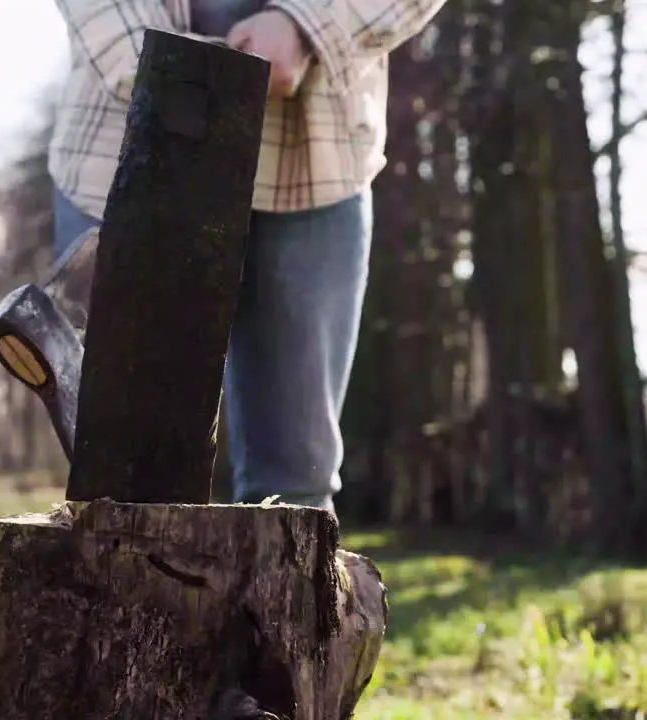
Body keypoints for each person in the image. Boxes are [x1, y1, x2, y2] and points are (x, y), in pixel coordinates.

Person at [46, 0, 448, 512]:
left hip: (315, 162)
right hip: (122, 137)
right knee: (121, 484)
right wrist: (158, 62)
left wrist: (308, 25)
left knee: (294, 490)